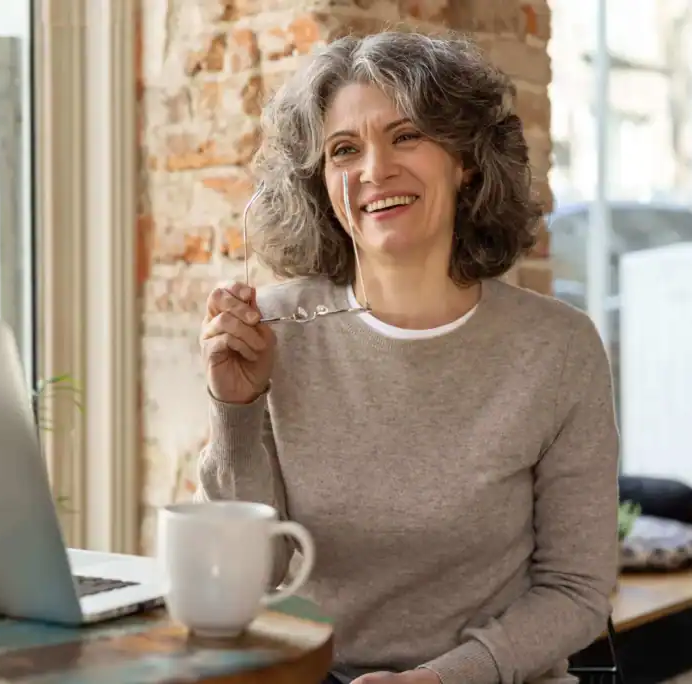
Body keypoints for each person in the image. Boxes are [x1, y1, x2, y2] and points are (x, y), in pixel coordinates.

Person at [196, 30, 619, 684]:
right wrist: (235, 409)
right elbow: (253, 574)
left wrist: (443, 680)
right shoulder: (272, 331)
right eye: (344, 150)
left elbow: (577, 592)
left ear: (466, 159)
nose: (374, 170)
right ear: (321, 182)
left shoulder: (559, 349)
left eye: (406, 136)